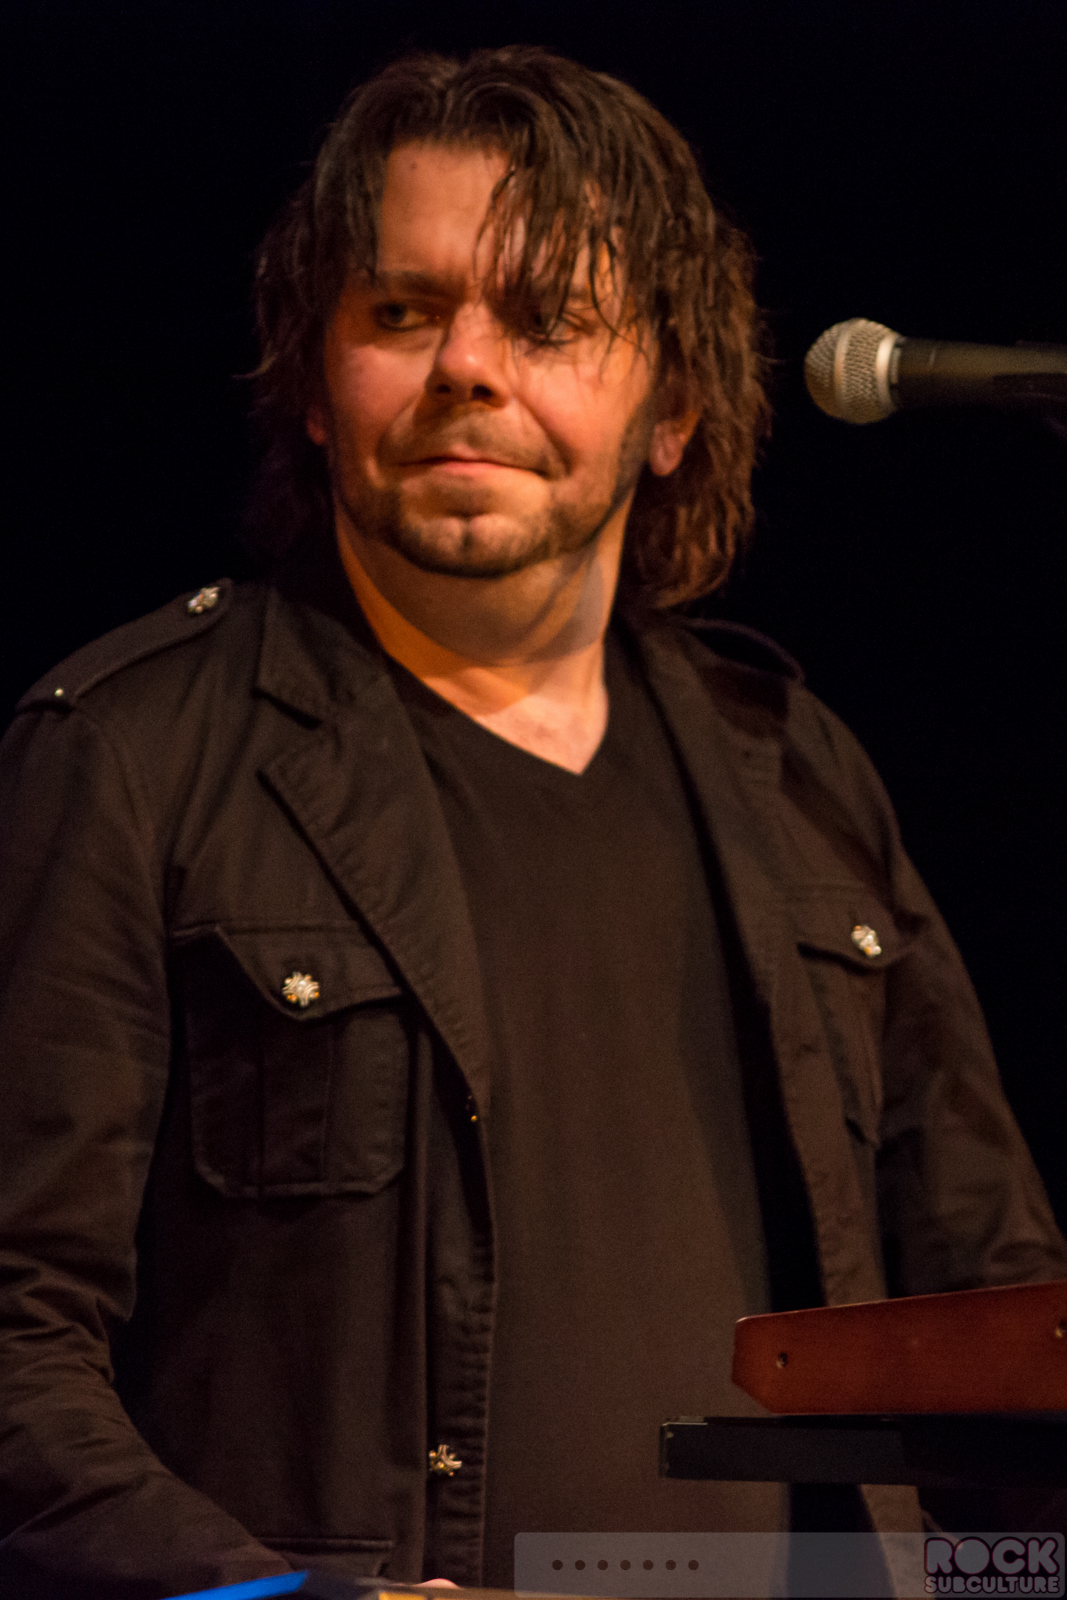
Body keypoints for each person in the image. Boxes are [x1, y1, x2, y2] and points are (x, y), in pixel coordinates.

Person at [0, 45, 1063, 1600]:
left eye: (548, 318)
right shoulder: (128, 756)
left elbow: (1006, 1314)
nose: (467, 366)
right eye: (402, 312)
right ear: (315, 381)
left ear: (674, 405)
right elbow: (17, 1348)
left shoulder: (801, 776)